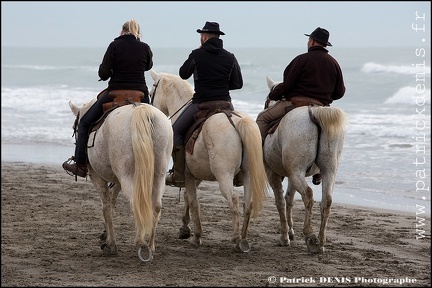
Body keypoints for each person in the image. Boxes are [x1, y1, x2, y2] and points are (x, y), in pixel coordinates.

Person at [62, 19, 154, 179]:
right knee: (155, 125)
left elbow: (103, 74)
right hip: (140, 94)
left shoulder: (114, 46)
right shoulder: (145, 47)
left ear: (122, 30)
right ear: (137, 32)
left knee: (84, 123)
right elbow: (148, 66)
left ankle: (80, 164)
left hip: (115, 93)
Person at [255, 27, 346, 185]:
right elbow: (340, 92)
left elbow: (287, 85)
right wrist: (324, 97)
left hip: (295, 104)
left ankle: (256, 159)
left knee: (262, 118)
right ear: (325, 44)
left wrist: (273, 95)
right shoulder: (334, 63)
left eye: (308, 40)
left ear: (311, 41)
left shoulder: (301, 59)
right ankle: (322, 170)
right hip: (322, 108)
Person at [165, 21, 243, 187]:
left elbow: (183, 73)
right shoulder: (230, 56)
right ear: (218, 37)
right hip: (225, 105)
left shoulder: (197, 54)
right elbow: (238, 84)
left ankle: (178, 175)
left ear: (204, 37)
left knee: (175, 132)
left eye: (201, 36)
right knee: (242, 131)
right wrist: (220, 84)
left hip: (201, 104)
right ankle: (241, 173)